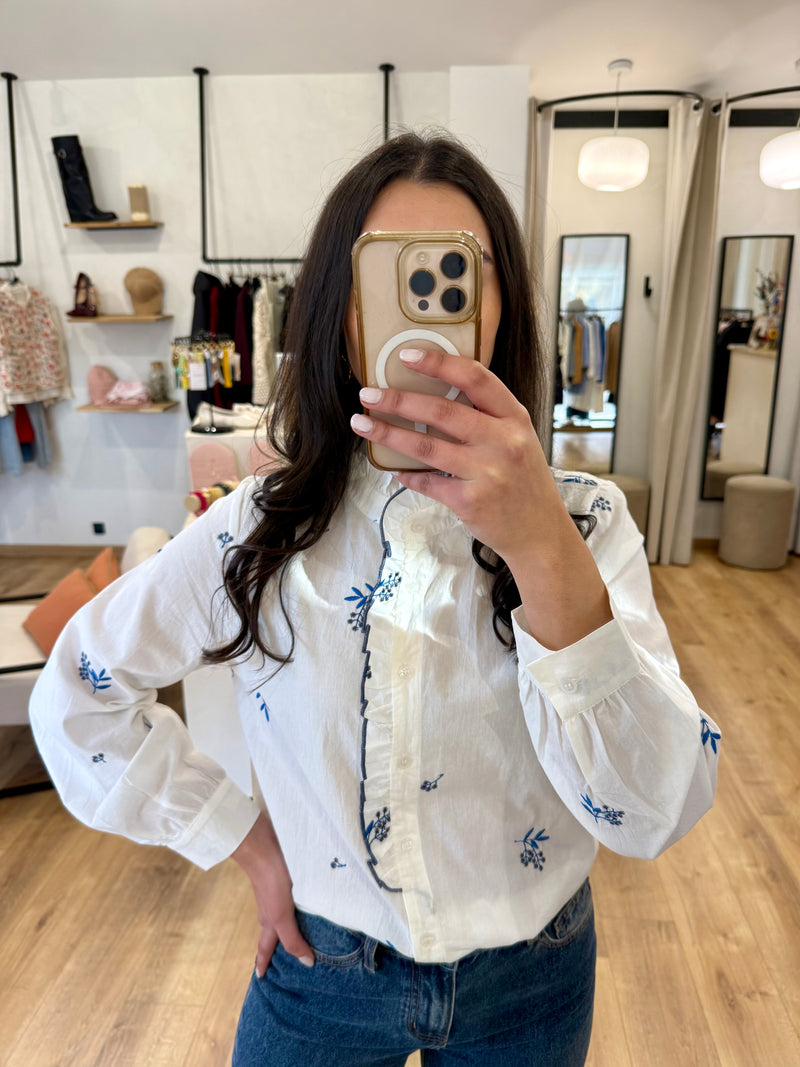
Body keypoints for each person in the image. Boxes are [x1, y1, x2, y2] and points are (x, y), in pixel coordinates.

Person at [29, 132, 721, 1066]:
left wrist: (539, 543)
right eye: (387, 275)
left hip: (534, 977)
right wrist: (242, 839)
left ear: (501, 309)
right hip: (322, 971)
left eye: (457, 274)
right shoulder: (259, 528)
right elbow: (78, 690)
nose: (425, 315)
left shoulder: (586, 522)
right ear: (343, 311)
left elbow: (655, 809)